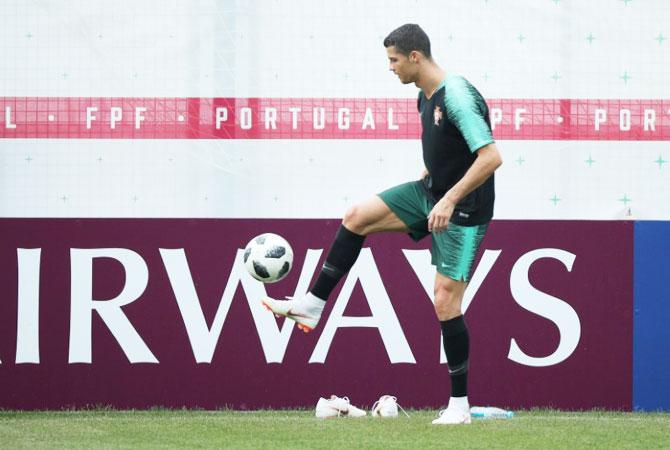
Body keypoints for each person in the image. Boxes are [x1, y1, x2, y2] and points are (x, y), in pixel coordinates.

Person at [262, 23, 503, 425]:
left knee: (445, 300)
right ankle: (311, 306)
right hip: (430, 192)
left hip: (464, 209)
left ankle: (459, 407)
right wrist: (431, 176)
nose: (389, 68)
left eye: (393, 60)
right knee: (356, 217)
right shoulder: (423, 97)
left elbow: (490, 157)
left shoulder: (457, 94)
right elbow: (447, 147)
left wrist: (448, 198)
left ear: (414, 57)